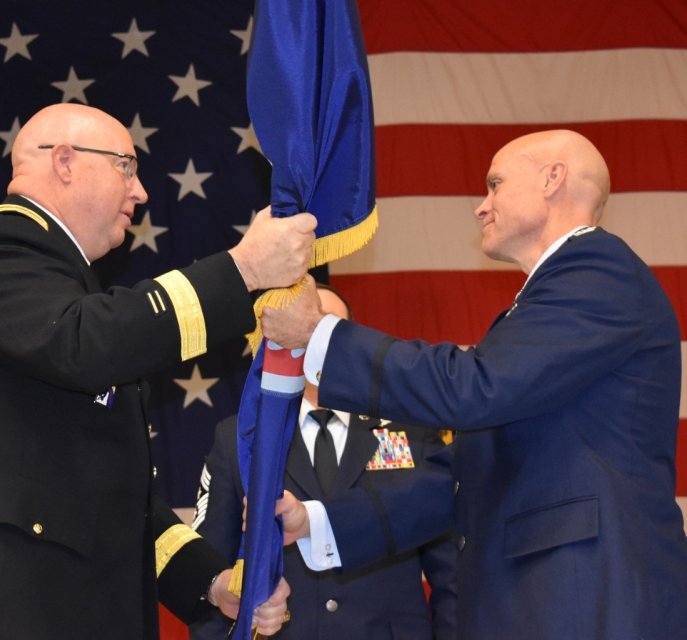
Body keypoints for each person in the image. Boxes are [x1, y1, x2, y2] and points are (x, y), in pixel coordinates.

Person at [0, 103, 314, 639]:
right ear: (64, 161)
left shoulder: (63, 288)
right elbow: (85, 342)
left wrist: (212, 580)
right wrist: (243, 269)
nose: (141, 193)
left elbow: (116, 495)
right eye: (126, 167)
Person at [261, 130, 687, 640]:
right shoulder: (550, 302)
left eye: (495, 184)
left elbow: (472, 388)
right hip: (545, 601)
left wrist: (320, 335)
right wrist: (315, 522)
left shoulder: (597, 269)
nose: (481, 208)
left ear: (553, 178)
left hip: (587, 599)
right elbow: (459, 478)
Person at [189, 284, 457, 640]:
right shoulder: (241, 437)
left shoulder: (413, 432)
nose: (314, 349)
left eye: (324, 333)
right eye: (302, 336)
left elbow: (453, 576)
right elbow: (208, 570)